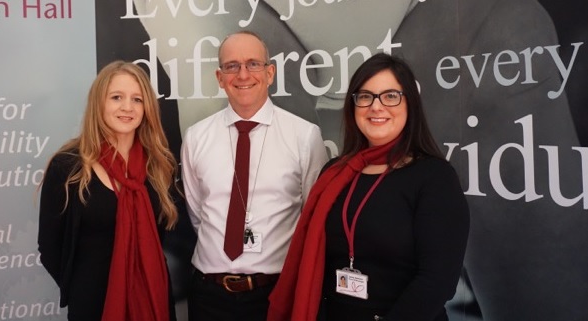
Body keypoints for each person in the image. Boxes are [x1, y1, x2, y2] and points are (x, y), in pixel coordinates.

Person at [267, 53, 470, 321]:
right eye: (365, 96)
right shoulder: (334, 172)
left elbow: (437, 282)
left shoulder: (435, 178)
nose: (376, 107)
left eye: (390, 96)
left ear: (410, 104)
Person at [180, 30, 329, 321]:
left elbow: (313, 218)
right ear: (220, 78)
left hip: (275, 294)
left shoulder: (304, 136)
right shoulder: (197, 137)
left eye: (253, 64)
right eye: (232, 65)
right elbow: (198, 213)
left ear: (270, 73)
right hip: (209, 296)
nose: (243, 74)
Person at [38, 61, 181, 321]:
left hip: (153, 301)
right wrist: (85, 286)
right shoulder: (68, 167)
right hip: (94, 307)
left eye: (137, 99)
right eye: (117, 97)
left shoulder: (158, 166)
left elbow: (158, 240)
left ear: (146, 108)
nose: (127, 107)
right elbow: (49, 247)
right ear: (98, 104)